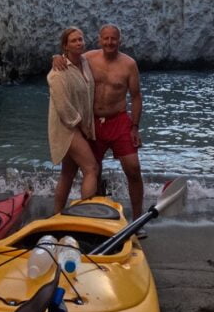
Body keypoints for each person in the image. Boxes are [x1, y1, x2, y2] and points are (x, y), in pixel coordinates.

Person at [53, 24, 144, 220]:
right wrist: (56, 58)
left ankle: (138, 219)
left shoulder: (129, 64)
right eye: (106, 39)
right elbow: (68, 61)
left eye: (114, 39)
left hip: (118, 120)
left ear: (120, 40)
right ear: (99, 39)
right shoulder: (88, 59)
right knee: (93, 169)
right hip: (92, 122)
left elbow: (136, 96)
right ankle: (94, 216)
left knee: (133, 168)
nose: (110, 42)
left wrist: (135, 127)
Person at [47, 26, 100, 214]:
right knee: (91, 168)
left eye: (81, 39)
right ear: (65, 46)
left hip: (78, 126)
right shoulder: (58, 73)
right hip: (67, 128)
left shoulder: (85, 61)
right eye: (74, 41)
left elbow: (106, 51)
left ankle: (57, 214)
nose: (79, 43)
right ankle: (87, 215)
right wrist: (82, 127)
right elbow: (63, 108)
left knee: (68, 174)